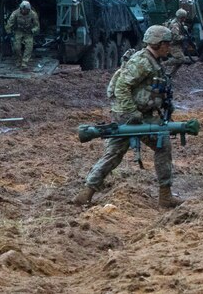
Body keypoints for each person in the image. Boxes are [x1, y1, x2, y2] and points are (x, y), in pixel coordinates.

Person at [73, 25, 183, 208]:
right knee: (161, 145)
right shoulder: (142, 62)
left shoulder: (152, 61)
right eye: (167, 43)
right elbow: (121, 88)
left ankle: (86, 192)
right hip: (129, 115)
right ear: (158, 43)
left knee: (114, 153)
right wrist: (133, 113)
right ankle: (165, 195)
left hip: (135, 114)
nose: (169, 47)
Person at [5, 0, 40, 69]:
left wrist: (33, 30)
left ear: (29, 9)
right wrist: (9, 33)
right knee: (16, 47)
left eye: (26, 10)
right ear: (20, 8)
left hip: (28, 32)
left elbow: (37, 26)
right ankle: (18, 60)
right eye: (23, 9)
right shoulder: (15, 13)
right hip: (19, 31)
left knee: (29, 47)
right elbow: (9, 24)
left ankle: (24, 62)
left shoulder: (33, 14)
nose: (24, 11)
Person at [163, 9, 189, 76]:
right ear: (181, 17)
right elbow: (175, 37)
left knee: (180, 60)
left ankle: (172, 74)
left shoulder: (180, 22)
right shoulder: (175, 25)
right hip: (172, 45)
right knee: (181, 59)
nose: (185, 19)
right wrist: (183, 38)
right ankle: (163, 64)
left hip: (177, 44)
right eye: (184, 17)